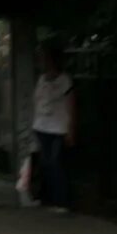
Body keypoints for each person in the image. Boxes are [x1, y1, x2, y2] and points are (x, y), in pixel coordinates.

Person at [31, 44, 76, 213]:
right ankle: (48, 198)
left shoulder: (65, 80)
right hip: (42, 126)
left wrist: (71, 128)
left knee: (57, 163)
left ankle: (63, 201)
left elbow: (71, 105)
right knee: (46, 163)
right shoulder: (41, 80)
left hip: (59, 127)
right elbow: (37, 102)